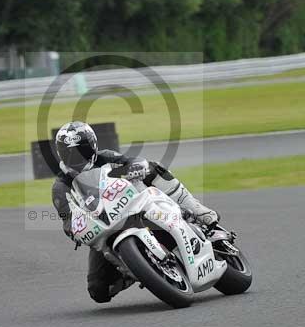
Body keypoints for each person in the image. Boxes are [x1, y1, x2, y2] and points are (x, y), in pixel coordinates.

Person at [51, 121, 218, 303]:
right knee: (98, 290)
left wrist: (136, 167)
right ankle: (134, 269)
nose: (77, 157)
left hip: (135, 205)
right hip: (103, 227)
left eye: (82, 150)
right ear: (61, 154)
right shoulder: (61, 186)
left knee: (152, 167)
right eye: (70, 153)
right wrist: (74, 230)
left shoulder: (105, 157)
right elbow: (67, 219)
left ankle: (195, 209)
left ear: (93, 146)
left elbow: (131, 161)